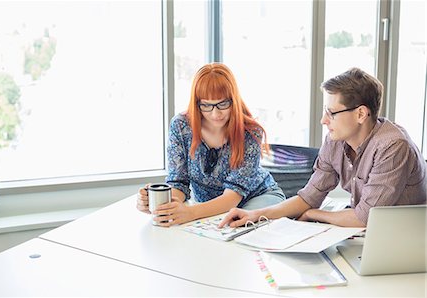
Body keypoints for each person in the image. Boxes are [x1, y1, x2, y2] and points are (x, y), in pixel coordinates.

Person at [219, 67, 427, 228]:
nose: (323, 120)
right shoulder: (335, 140)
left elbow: (364, 217)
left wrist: (314, 214)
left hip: (406, 240)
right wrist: (257, 214)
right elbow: (310, 196)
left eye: (331, 113)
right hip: (371, 234)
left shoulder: (393, 147)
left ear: (361, 114)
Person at [136, 63, 285, 226]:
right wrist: (159, 203)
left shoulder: (250, 132)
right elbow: (179, 183)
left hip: (258, 198)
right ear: (197, 103)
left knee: (237, 227)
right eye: (206, 105)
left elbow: (231, 198)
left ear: (233, 100)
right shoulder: (181, 126)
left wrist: (190, 213)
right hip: (209, 209)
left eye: (223, 104)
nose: (215, 114)